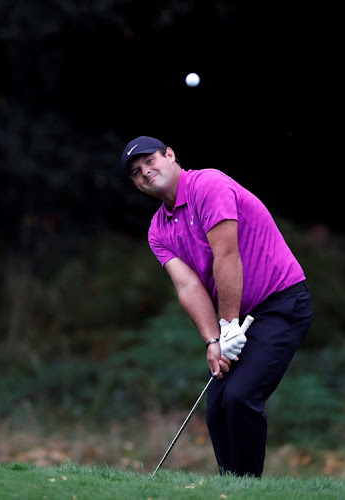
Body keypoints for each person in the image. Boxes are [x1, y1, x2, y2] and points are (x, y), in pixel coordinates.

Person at [121, 136, 313, 478]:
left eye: (150, 161)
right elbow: (188, 285)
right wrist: (214, 340)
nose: (145, 173)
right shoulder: (158, 230)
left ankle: (247, 487)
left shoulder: (207, 185)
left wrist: (229, 324)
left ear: (170, 155)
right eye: (136, 173)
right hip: (237, 316)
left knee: (240, 398)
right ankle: (230, 487)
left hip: (281, 301)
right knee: (218, 409)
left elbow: (227, 255)